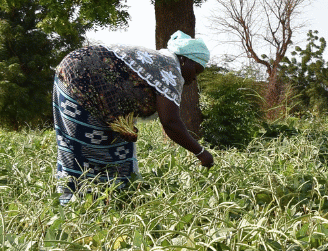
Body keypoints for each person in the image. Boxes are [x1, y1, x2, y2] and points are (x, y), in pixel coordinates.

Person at [53, 30, 215, 203]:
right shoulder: (170, 69)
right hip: (81, 81)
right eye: (196, 70)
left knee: (108, 147)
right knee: (85, 147)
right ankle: (79, 204)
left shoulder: (160, 63)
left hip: (72, 73)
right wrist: (201, 152)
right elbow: (170, 122)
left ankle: (107, 202)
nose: (194, 78)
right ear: (184, 60)